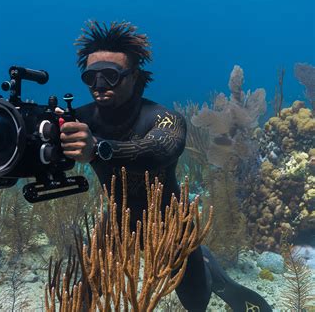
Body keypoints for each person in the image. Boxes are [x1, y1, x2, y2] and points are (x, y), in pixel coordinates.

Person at [57, 20, 272, 312]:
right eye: (90, 77)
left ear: (133, 77)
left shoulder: (163, 118)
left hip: (171, 224)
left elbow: (159, 151)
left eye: (110, 76)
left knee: (195, 301)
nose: (99, 86)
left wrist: (98, 148)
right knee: (83, 296)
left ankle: (211, 272)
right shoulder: (81, 120)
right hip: (117, 222)